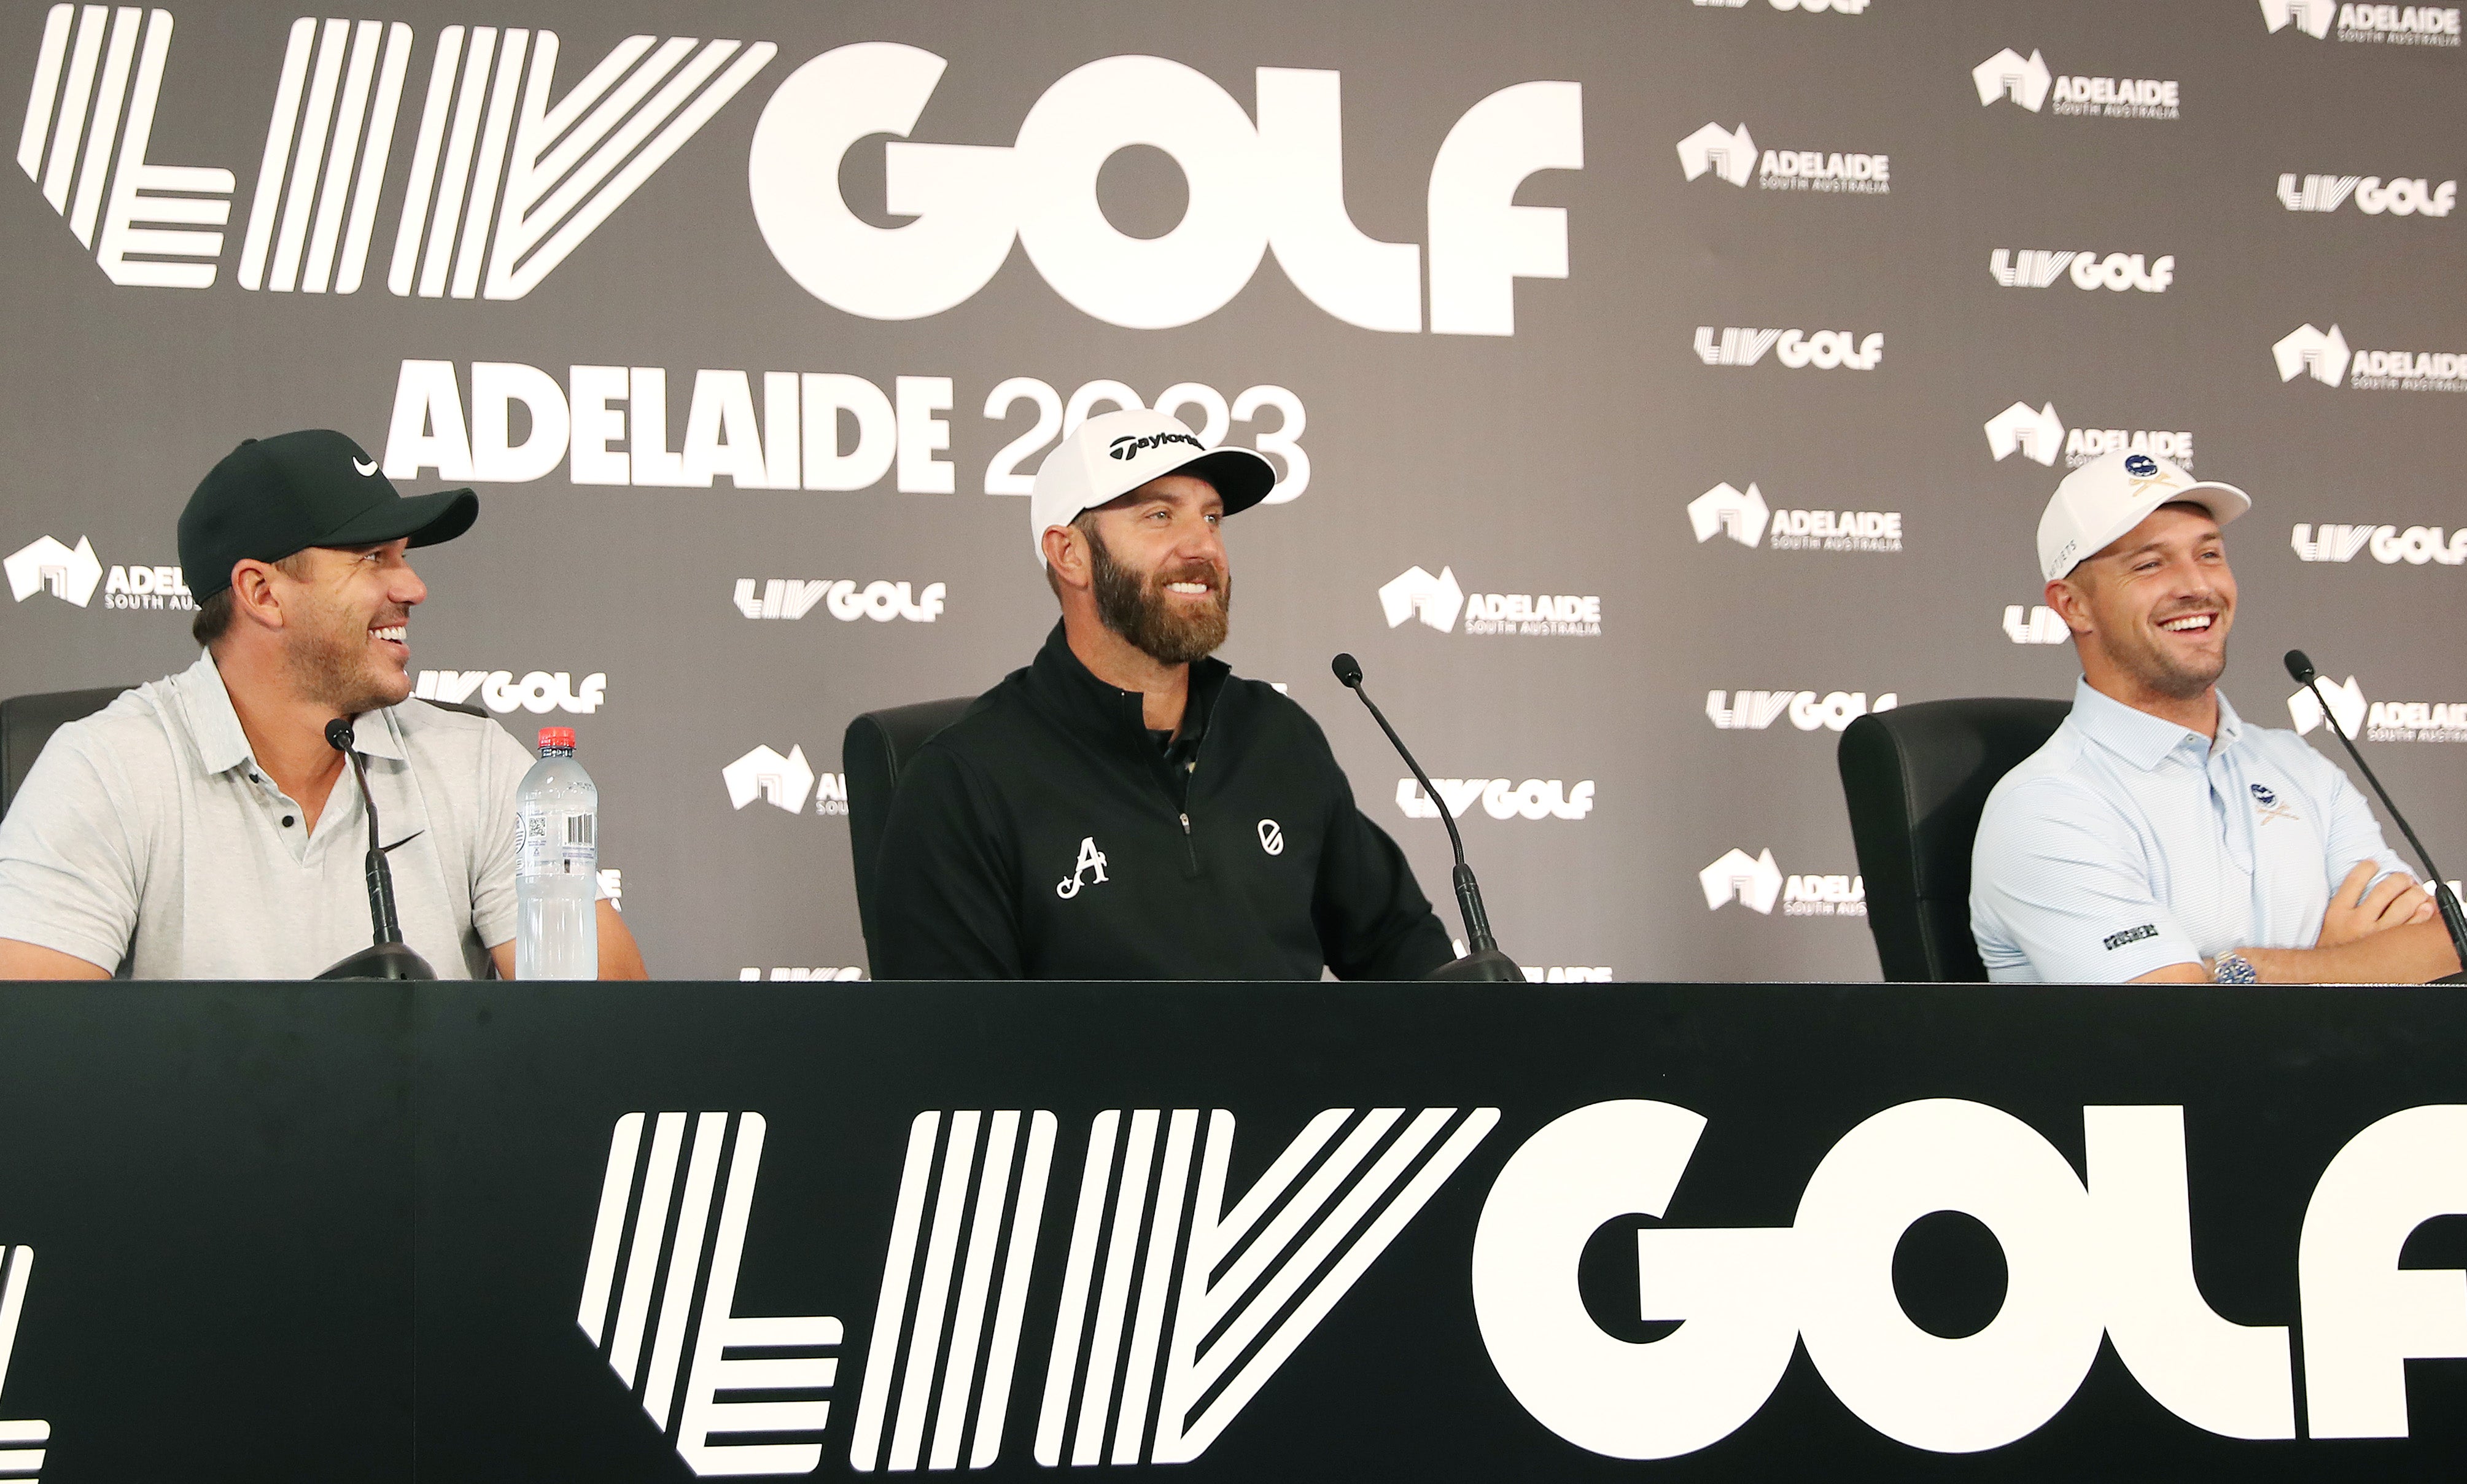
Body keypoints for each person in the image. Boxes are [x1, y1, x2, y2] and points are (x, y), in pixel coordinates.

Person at [0, 429, 646, 980]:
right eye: (372, 558)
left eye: (404, 556)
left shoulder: (476, 763)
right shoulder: (108, 767)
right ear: (262, 592)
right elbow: (36, 1055)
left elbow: (602, 1032)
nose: (413, 586)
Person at [869, 409, 1455, 980]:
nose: (1203, 548)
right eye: (1159, 515)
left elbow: (1400, 943)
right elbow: (956, 1059)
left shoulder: (1277, 734)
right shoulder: (964, 783)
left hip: (1295, 1080)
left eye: (1213, 519)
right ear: (1069, 553)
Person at [1970, 449, 2457, 984]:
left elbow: (2441, 944)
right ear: (2073, 606)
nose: (2196, 586)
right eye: (2150, 564)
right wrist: (2340, 966)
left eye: (2208, 555)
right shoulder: (2047, 806)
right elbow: (2177, 1026)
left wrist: (2248, 969)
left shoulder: (2300, 765)